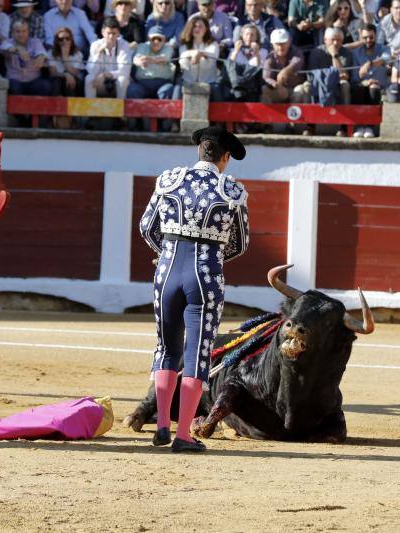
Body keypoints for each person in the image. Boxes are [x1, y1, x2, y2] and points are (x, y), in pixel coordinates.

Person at [139, 125, 249, 453]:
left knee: (166, 348)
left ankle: (161, 424)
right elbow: (240, 243)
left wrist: (167, 252)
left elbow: (147, 227)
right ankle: (183, 435)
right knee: (197, 354)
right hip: (206, 276)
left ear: (199, 150)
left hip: (167, 270)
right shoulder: (232, 190)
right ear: (225, 158)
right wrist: (213, 254)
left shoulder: (169, 179)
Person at [351, 22, 390, 136]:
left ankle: (370, 127)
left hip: (379, 86)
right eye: (365, 38)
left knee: (373, 88)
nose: (368, 40)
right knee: (358, 89)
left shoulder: (384, 48)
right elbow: (355, 76)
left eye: (371, 37)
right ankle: (359, 126)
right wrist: (366, 82)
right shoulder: (356, 53)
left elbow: (386, 58)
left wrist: (370, 63)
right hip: (363, 85)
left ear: (376, 36)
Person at [175, 15, 225, 100]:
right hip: (188, 81)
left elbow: (211, 61)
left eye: (201, 26)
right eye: (195, 26)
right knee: (177, 89)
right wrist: (193, 53)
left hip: (209, 81)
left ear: (206, 29)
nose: (197, 29)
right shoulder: (184, 44)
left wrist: (201, 54)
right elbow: (184, 64)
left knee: (216, 90)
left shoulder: (213, 44)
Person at [2, 20, 52, 96]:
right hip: (15, 80)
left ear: (28, 32)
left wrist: (41, 57)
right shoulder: (7, 42)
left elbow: (41, 52)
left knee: (45, 86)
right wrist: (18, 48)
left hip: (33, 81)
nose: (21, 34)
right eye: (18, 32)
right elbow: (5, 47)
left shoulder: (35, 42)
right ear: (12, 33)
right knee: (13, 88)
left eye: (24, 31)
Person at [85, 17, 132, 97]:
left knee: (122, 79)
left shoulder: (124, 45)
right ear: (102, 32)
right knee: (89, 78)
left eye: (114, 33)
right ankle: (90, 107)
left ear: (118, 33)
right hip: (100, 82)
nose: (111, 36)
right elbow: (91, 70)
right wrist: (98, 53)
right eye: (108, 33)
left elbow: (125, 71)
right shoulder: (95, 45)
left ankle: (120, 108)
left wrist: (106, 75)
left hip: (115, 80)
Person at [127, 25, 176, 99]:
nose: (156, 42)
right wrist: (141, 61)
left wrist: (148, 59)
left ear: (164, 40)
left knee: (168, 90)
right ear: (149, 39)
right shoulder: (142, 46)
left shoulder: (168, 47)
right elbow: (136, 60)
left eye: (159, 39)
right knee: (133, 89)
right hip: (143, 83)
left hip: (163, 83)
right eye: (153, 39)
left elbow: (163, 58)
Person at [261, 27, 305, 104]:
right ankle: (267, 115)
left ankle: (295, 115)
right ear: (272, 45)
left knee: (300, 91)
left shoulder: (296, 52)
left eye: (283, 43)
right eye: (277, 44)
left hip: (294, 87)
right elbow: (266, 77)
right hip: (278, 89)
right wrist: (277, 85)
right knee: (265, 89)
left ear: (289, 42)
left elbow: (297, 62)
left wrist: (286, 71)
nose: (280, 47)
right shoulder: (269, 58)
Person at [49, 26, 86, 98]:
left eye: (67, 38)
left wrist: (65, 58)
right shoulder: (51, 53)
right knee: (57, 82)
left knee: (70, 83)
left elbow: (74, 72)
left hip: (73, 79)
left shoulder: (77, 54)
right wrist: (65, 75)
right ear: (57, 41)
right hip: (58, 79)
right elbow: (52, 73)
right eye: (61, 39)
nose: (64, 41)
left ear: (71, 40)